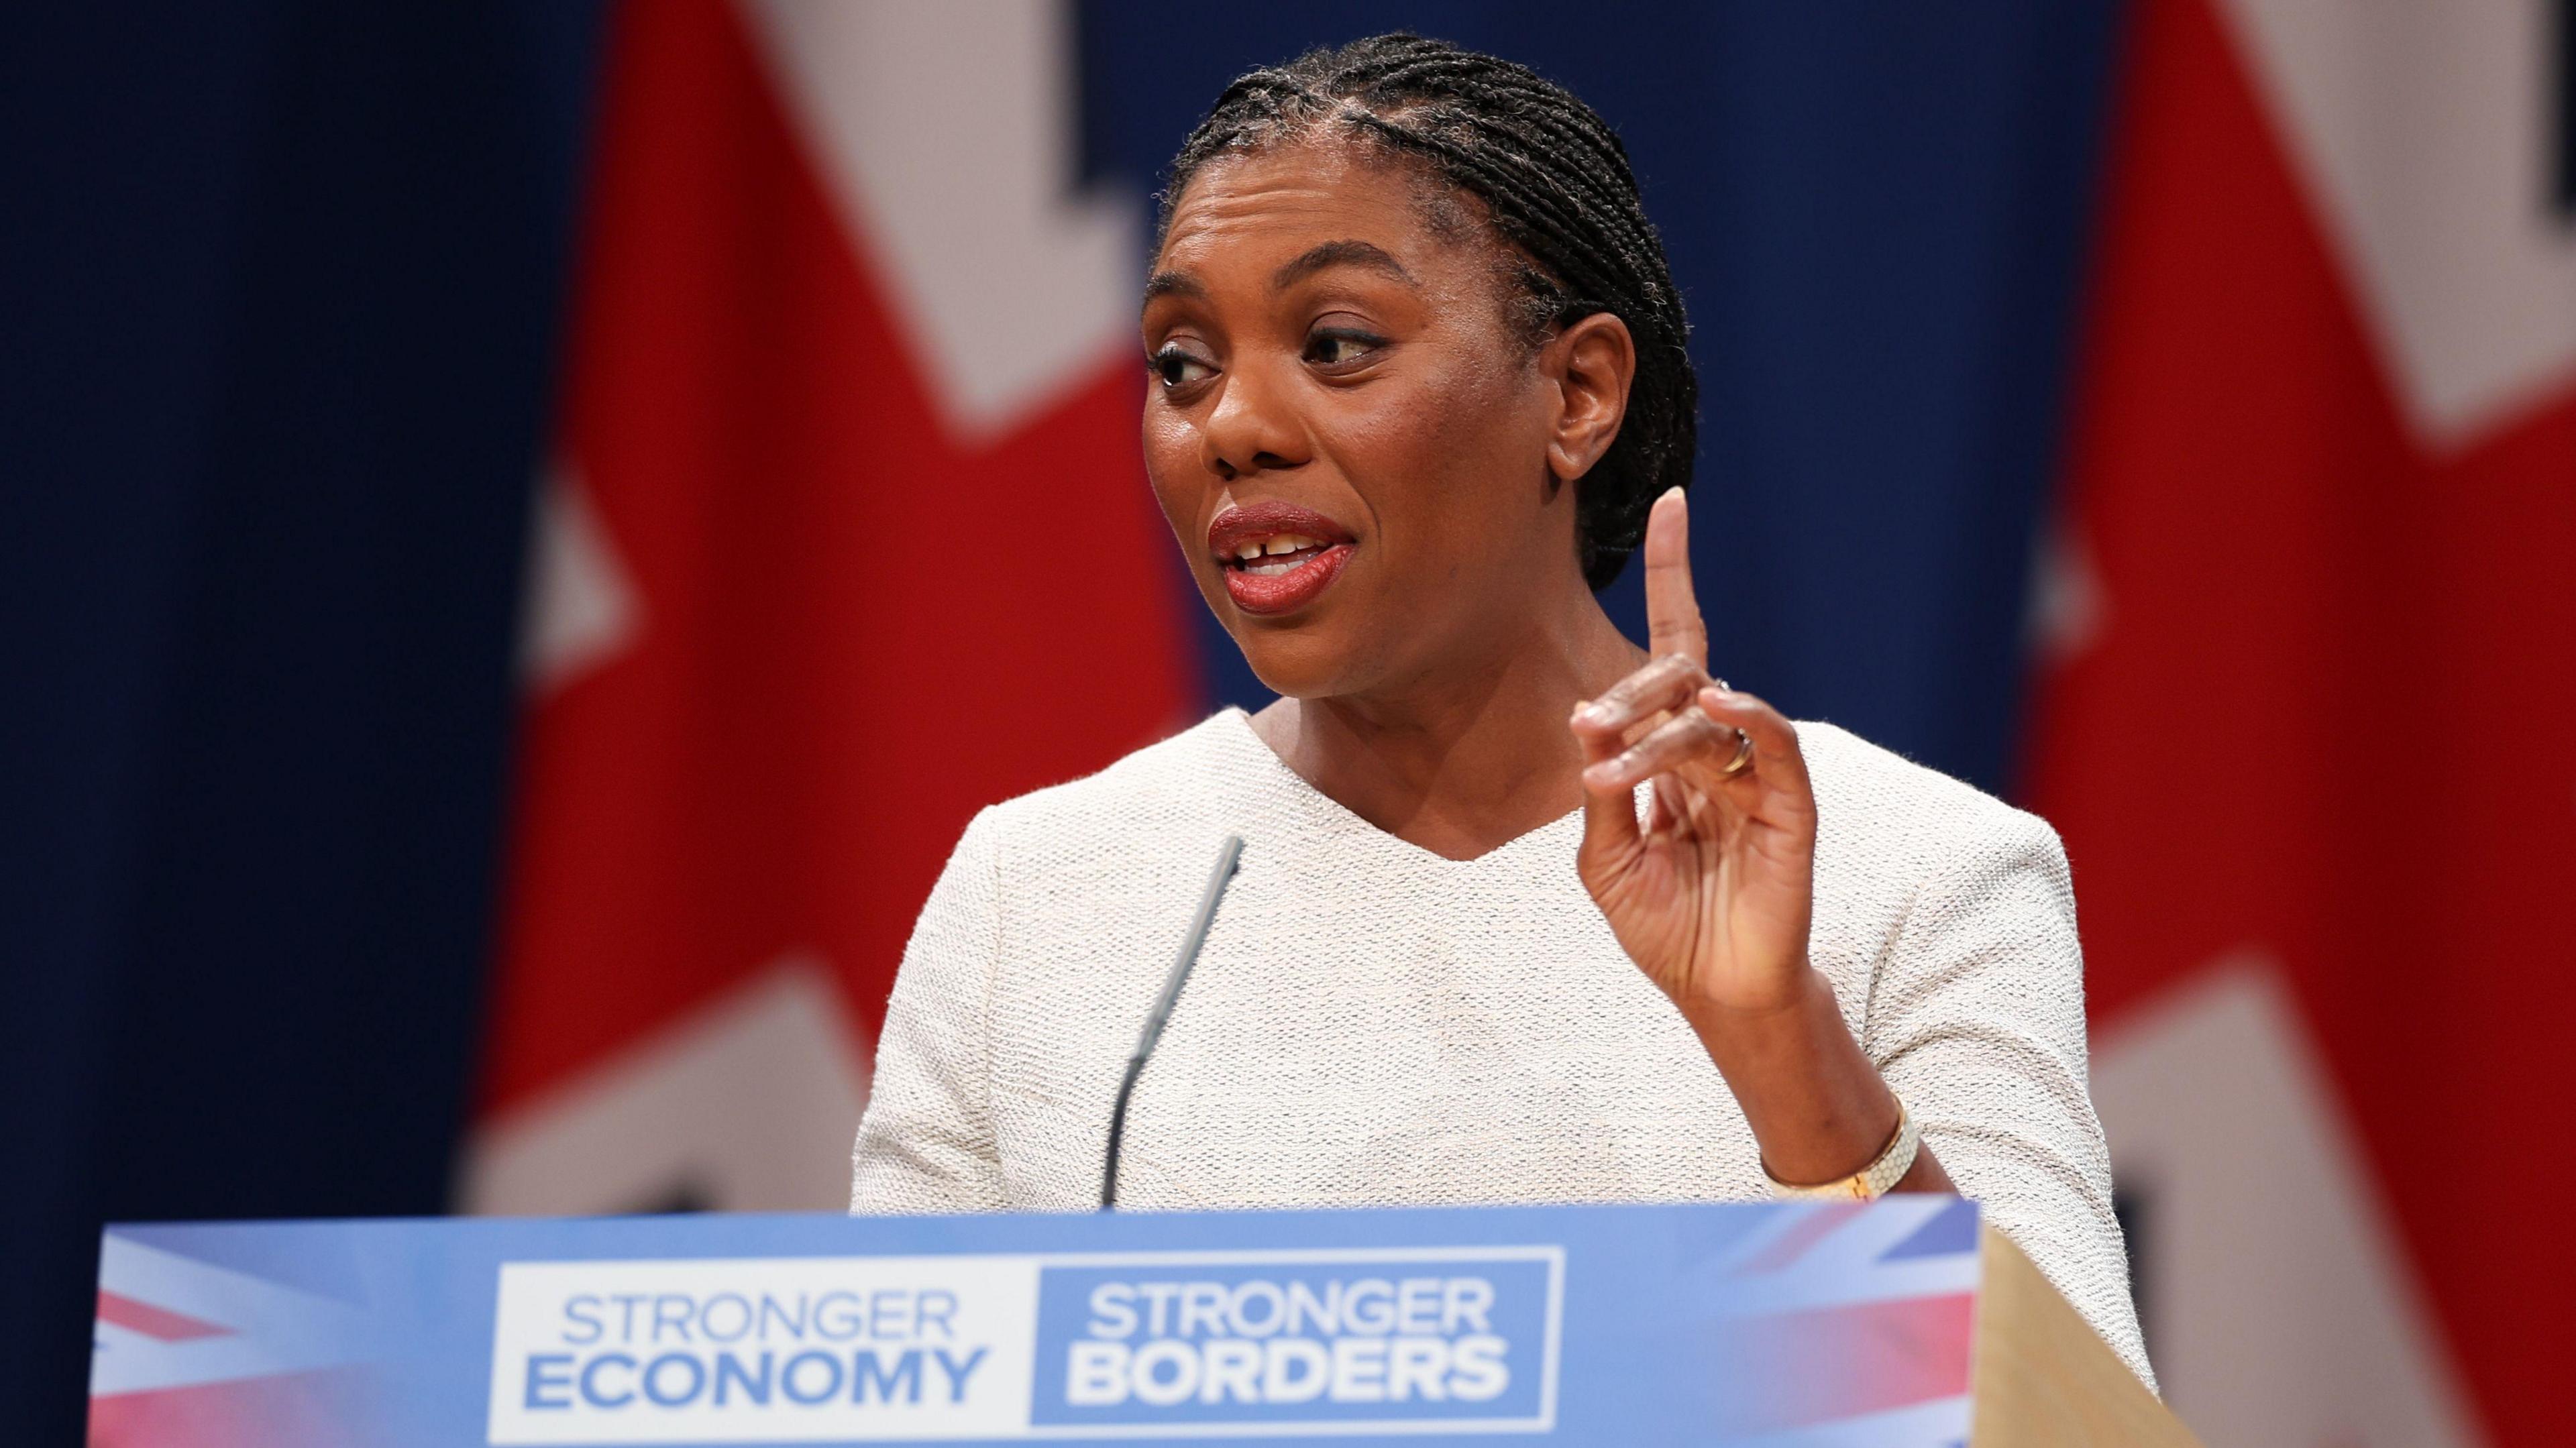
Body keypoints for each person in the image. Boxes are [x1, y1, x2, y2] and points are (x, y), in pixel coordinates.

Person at [851, 34, 2149, 1383]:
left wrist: (1783, 1047)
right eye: (1182, 363)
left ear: (1576, 393)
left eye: (1336, 344)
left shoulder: (1917, 875)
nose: (1230, 426)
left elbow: (2073, 1421)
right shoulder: (1034, 899)